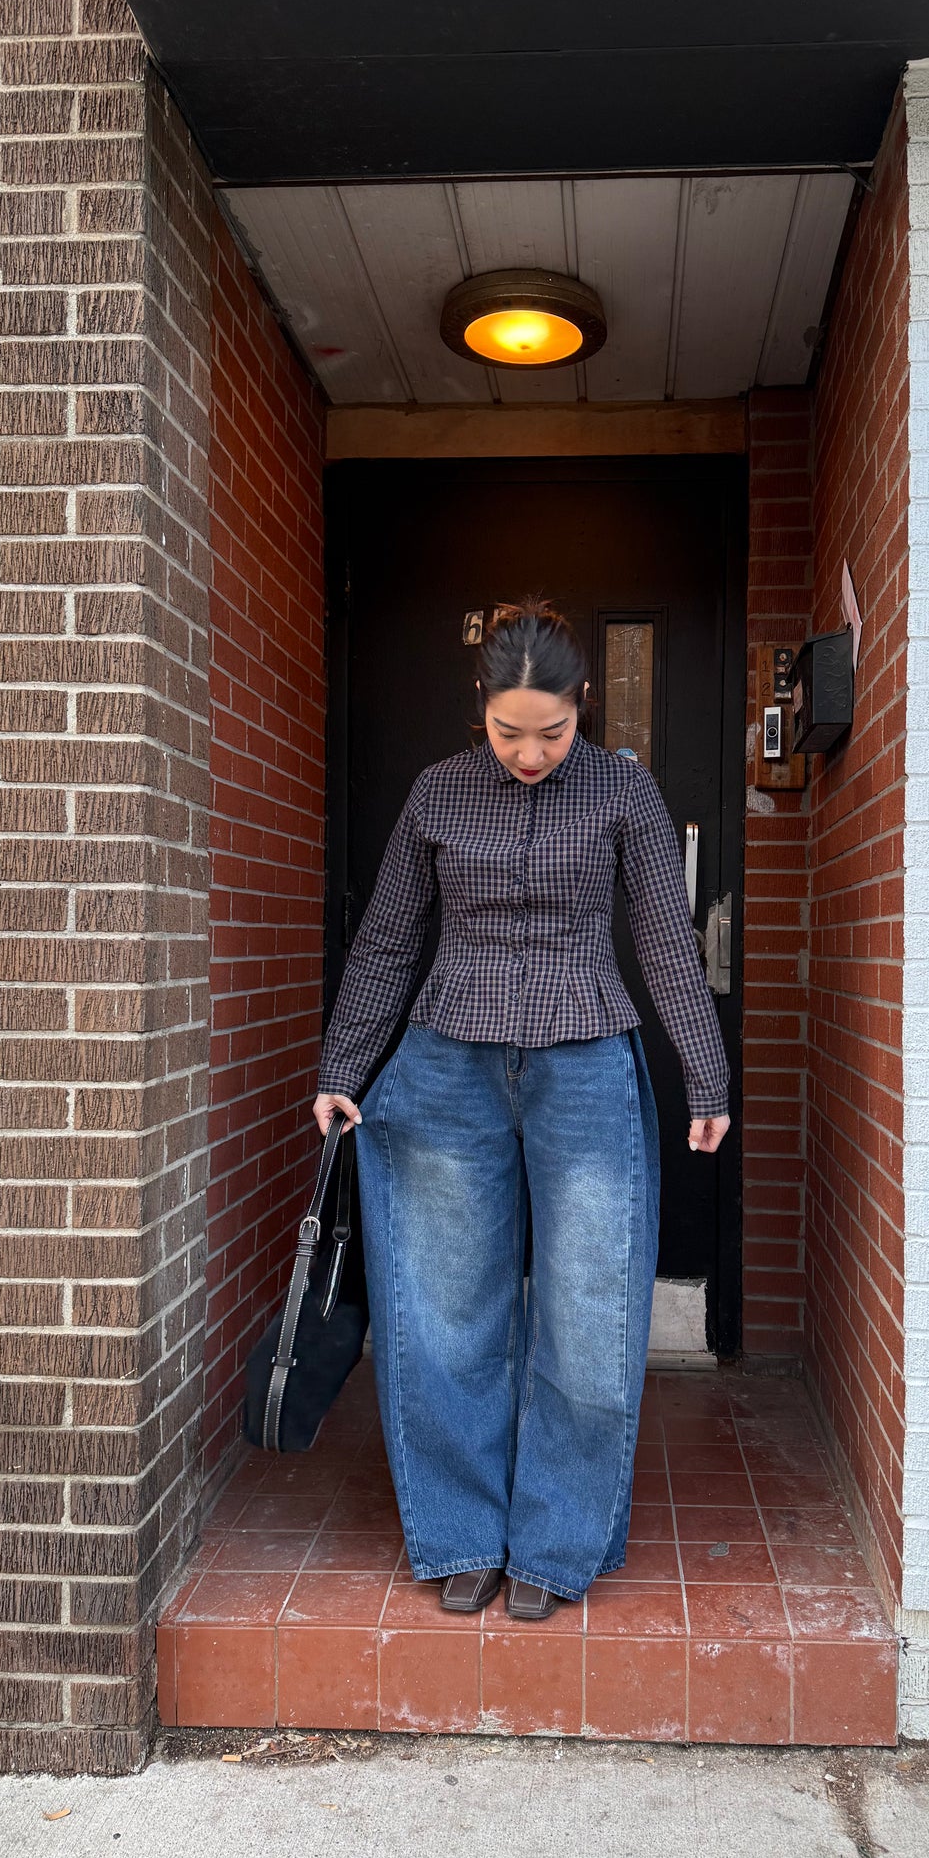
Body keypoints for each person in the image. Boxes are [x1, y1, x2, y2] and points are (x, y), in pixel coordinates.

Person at [313, 597, 731, 1620]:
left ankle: (553, 1543)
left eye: (551, 731)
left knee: (588, 1312)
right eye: (509, 732)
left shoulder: (623, 797)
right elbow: (385, 940)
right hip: (446, 1063)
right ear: (480, 710)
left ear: (580, 708)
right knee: (444, 1310)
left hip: (586, 1064)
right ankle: (459, 1534)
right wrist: (344, 1066)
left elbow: (667, 945)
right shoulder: (437, 795)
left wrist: (706, 1074)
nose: (530, 752)